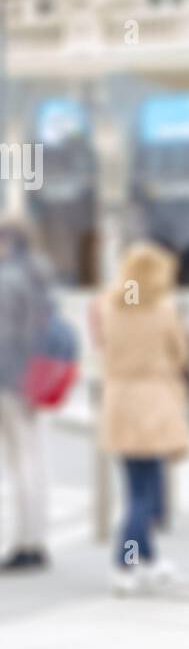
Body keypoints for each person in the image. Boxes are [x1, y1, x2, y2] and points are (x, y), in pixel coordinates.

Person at [94, 241, 189, 595]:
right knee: (147, 492)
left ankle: (148, 560)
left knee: (136, 485)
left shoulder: (109, 306)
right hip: (152, 402)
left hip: (119, 402)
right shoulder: (164, 309)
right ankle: (125, 563)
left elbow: (103, 348)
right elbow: (181, 353)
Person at [0, 214, 55, 570]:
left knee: (19, 464)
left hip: (9, 381)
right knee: (33, 458)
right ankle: (36, 538)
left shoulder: (8, 279)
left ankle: (24, 543)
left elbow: (5, 339)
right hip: (34, 379)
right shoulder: (39, 275)